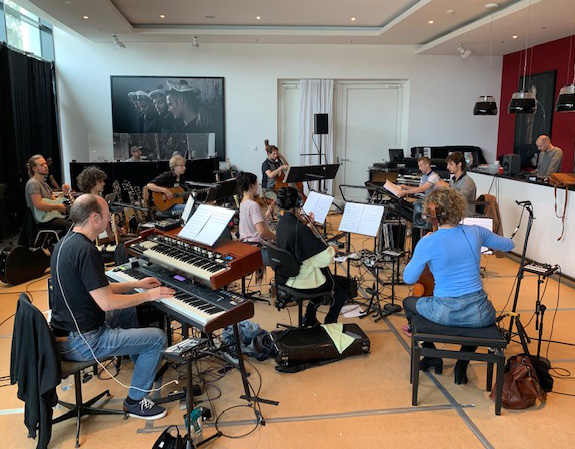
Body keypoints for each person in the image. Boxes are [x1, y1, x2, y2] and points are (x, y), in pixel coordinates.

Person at [50, 194, 174, 420]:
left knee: (127, 311)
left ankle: (144, 367)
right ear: (95, 218)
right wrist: (149, 295)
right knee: (157, 338)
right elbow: (106, 302)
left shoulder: (66, 242)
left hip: (65, 335)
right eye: (108, 215)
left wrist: (136, 284)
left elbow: (100, 288)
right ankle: (135, 401)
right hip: (84, 342)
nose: (110, 219)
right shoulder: (86, 251)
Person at [402, 188, 514, 384]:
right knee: (477, 322)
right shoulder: (476, 232)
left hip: (443, 312)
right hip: (480, 314)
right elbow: (509, 245)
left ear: (431, 213)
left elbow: (409, 278)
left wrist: (424, 245)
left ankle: (430, 352)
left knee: (408, 302)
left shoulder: (428, 242)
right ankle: (462, 364)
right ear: (458, 208)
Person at [275, 187, 347, 327]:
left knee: (324, 275)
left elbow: (300, 244)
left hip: (286, 277)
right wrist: (333, 249)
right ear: (299, 202)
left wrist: (307, 226)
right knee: (343, 286)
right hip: (300, 282)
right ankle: (330, 323)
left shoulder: (282, 222)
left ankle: (309, 317)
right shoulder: (300, 229)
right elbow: (323, 260)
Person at [25, 154, 71, 234]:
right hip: (44, 220)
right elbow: (38, 205)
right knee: (71, 226)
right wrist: (57, 207)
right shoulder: (33, 183)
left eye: (45, 163)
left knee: (74, 222)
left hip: (50, 217)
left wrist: (64, 193)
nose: (46, 166)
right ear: (34, 168)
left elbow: (55, 201)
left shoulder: (44, 184)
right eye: (42, 165)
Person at [261, 139, 288, 204]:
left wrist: (281, 156)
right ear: (268, 154)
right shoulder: (265, 164)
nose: (276, 155)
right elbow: (270, 175)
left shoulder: (275, 163)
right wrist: (281, 168)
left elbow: (286, 166)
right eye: (274, 154)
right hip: (268, 189)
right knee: (278, 201)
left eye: (277, 153)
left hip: (276, 187)